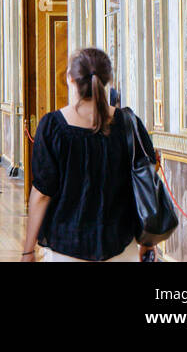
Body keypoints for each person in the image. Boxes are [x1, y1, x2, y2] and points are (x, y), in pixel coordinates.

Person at [21, 46, 155, 263]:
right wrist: (149, 241)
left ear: (69, 78)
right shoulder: (129, 124)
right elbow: (145, 183)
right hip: (121, 245)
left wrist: (28, 250)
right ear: (107, 80)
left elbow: (42, 193)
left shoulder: (53, 126)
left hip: (66, 246)